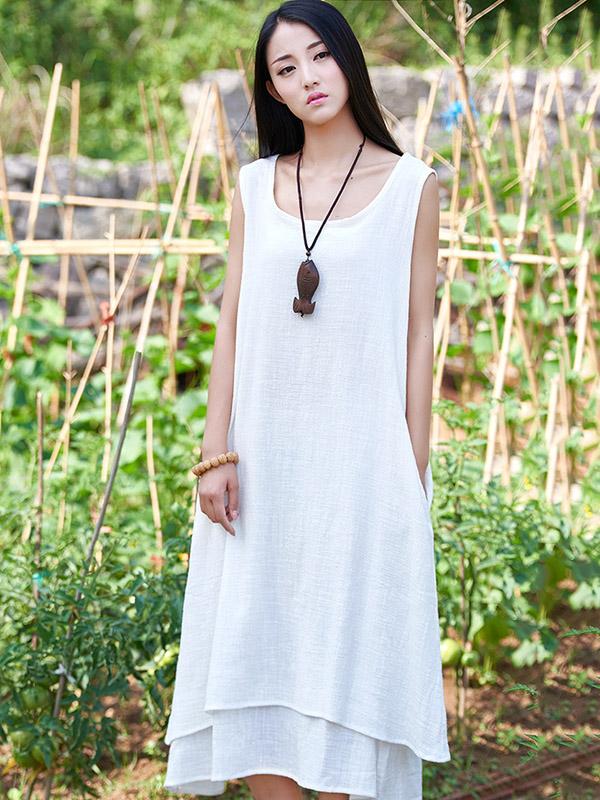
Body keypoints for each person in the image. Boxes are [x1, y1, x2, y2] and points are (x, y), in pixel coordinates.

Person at [163, 1, 451, 798]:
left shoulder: (412, 188)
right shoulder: (255, 186)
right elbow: (231, 323)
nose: (308, 78)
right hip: (263, 474)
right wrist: (216, 454)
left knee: (353, 666)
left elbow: (418, 336)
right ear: (273, 91)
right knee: (258, 654)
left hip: (363, 474)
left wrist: (410, 474)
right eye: (286, 68)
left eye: (319, 56)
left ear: (347, 60)